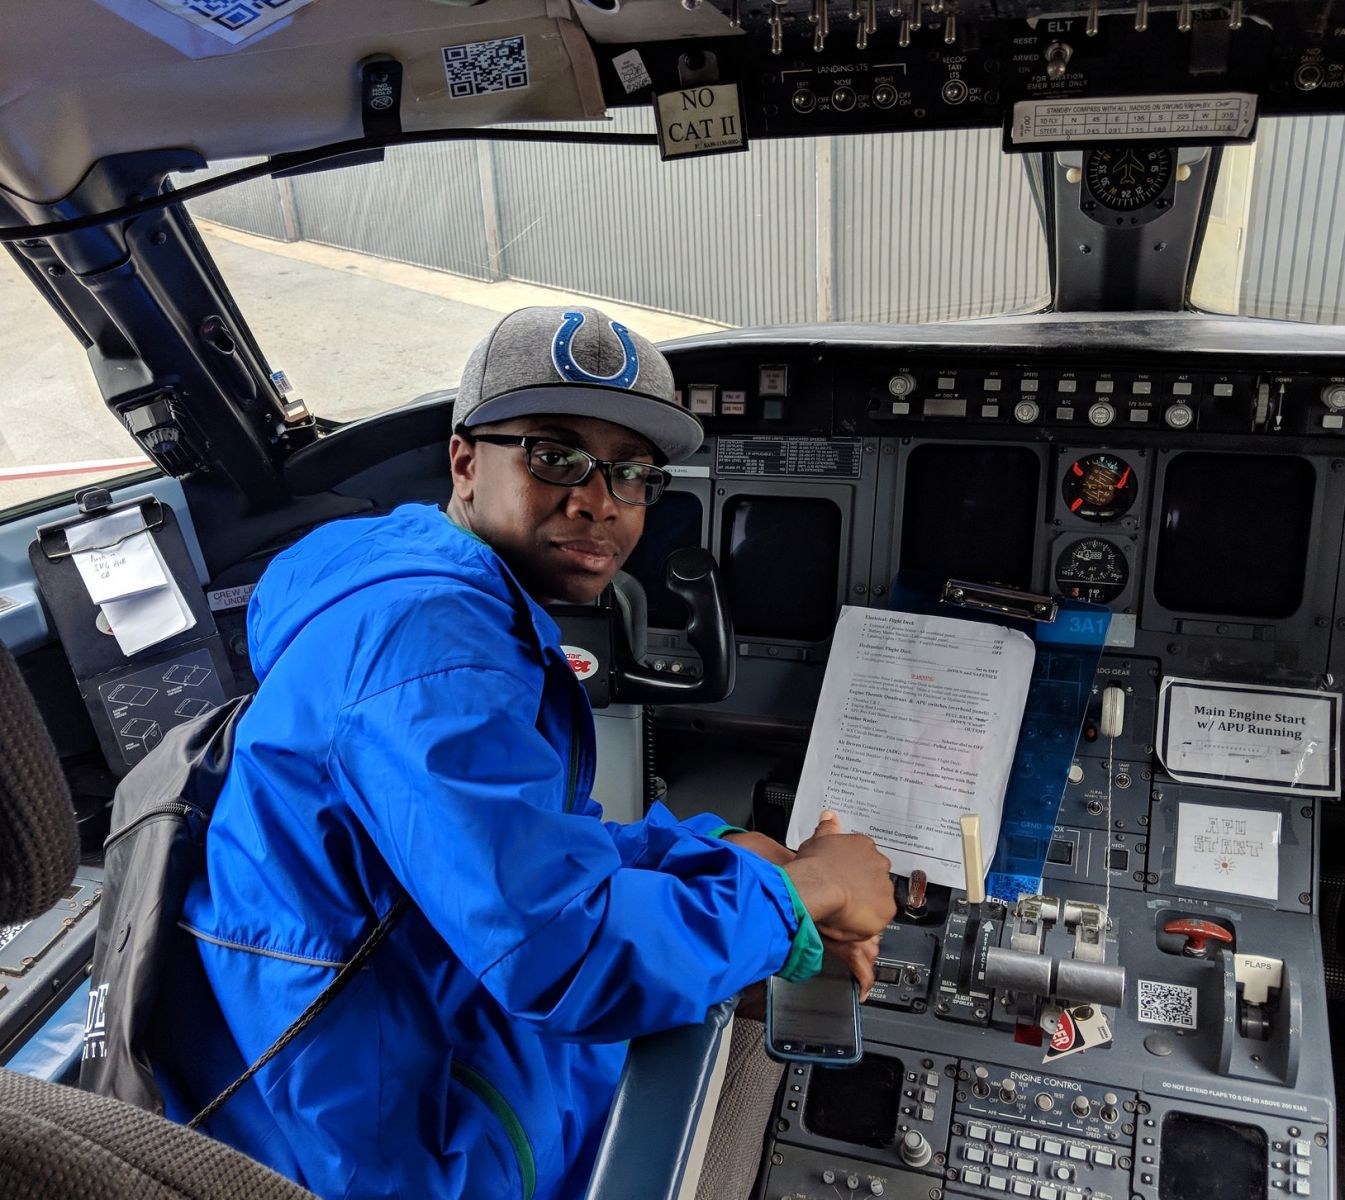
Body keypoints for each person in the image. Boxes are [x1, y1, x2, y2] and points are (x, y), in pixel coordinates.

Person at [160, 305, 896, 1200]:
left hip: (363, 1022)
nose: (601, 500)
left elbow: (524, 848)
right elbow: (567, 958)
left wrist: (710, 858)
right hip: (381, 1133)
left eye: (632, 473)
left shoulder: (403, 575)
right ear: (466, 460)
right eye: (554, 456)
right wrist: (801, 892)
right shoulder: (429, 649)